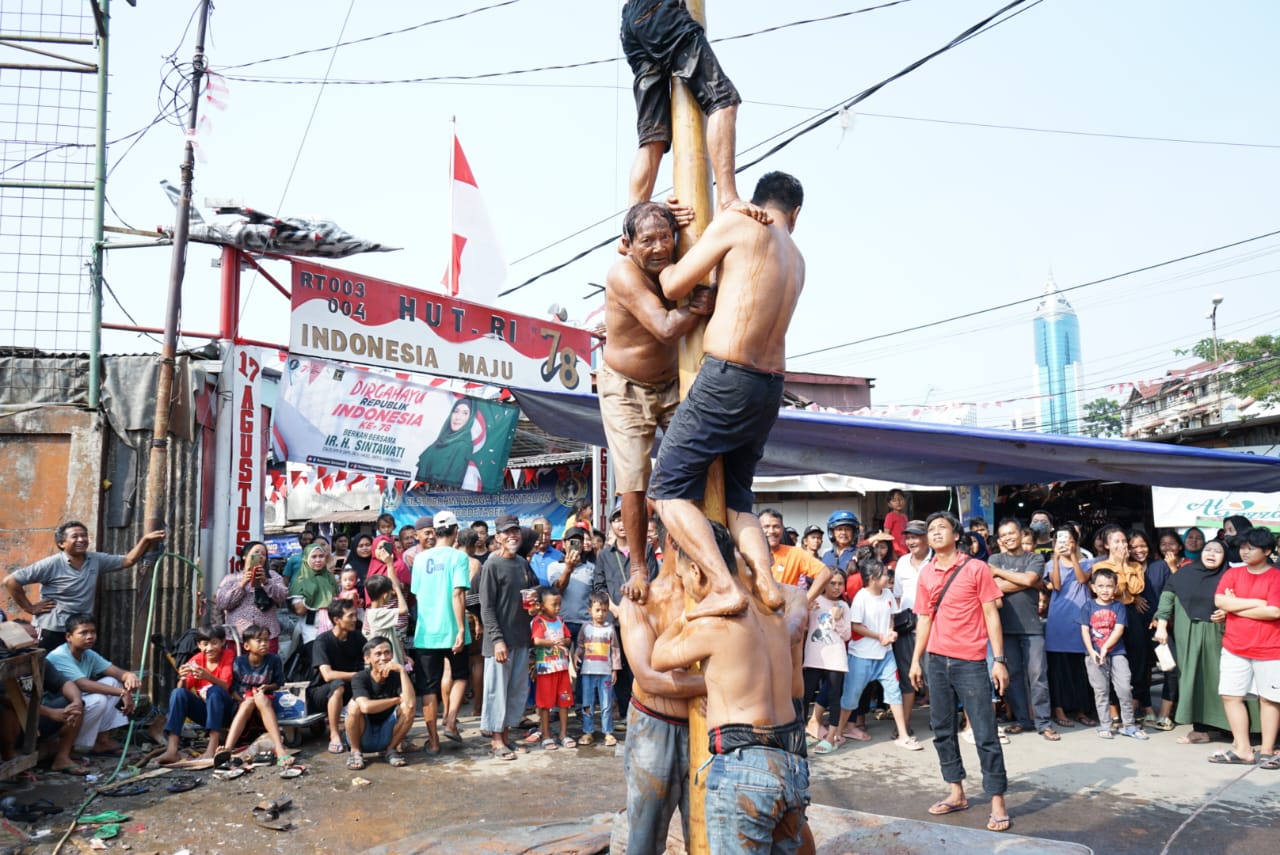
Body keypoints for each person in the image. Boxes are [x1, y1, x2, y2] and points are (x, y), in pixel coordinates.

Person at [649, 172, 807, 619]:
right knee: (738, 500)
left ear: (755, 200)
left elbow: (674, 285)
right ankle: (767, 582)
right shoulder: (797, 257)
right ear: (795, 213)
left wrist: (662, 252)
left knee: (666, 491)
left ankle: (723, 585)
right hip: (770, 385)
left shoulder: (739, 223)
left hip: (728, 376)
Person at [651, 520, 809, 854]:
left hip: (744, 767)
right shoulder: (772, 612)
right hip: (792, 761)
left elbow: (659, 657)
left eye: (682, 578)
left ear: (696, 571)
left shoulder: (713, 622)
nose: (685, 587)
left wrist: (688, 616)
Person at [602, 201, 713, 602]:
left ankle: (699, 551)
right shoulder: (623, 274)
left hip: (674, 382)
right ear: (627, 244)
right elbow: (666, 328)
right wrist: (698, 308)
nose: (659, 247)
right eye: (647, 240)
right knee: (634, 477)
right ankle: (638, 565)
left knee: (698, 464)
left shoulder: (679, 258)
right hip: (625, 387)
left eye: (665, 237)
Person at [908, 512, 1011, 834]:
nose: (935, 533)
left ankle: (997, 800)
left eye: (942, 528)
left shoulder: (976, 568)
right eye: (931, 529)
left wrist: (999, 660)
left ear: (956, 535)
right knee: (942, 729)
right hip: (937, 661)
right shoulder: (926, 573)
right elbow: (924, 619)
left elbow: (991, 615)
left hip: (971, 661)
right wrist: (916, 660)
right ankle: (956, 792)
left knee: (984, 732)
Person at [620, 0, 761, 219]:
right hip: (658, 11)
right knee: (723, 100)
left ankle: (633, 222)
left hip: (631, 20)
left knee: (653, 137)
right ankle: (727, 198)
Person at [616, 523, 706, 854]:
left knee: (709, 836)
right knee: (645, 836)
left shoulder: (715, 598)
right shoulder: (641, 600)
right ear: (672, 540)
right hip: (654, 726)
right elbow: (649, 678)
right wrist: (715, 685)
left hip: (707, 727)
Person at [6, 521, 165, 651]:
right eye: (75, 536)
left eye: (84, 536)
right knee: (47, 669)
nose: (81, 539)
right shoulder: (51, 564)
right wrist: (29, 608)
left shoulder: (95, 559)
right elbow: (11, 581)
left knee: (83, 668)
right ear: (61, 543)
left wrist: (145, 540)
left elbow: (127, 560)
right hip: (52, 628)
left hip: (79, 629)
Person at [1154, 539, 1237, 744]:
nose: (1211, 554)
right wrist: (1161, 625)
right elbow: (1167, 598)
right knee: (1193, 678)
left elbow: (1239, 600)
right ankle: (1200, 729)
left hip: (1218, 634)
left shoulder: (1230, 575)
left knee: (1219, 678)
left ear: (1225, 556)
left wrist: (1228, 610)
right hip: (1188, 634)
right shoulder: (1184, 574)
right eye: (1208, 549)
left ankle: (1229, 727)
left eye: (1217, 551)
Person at [833, 561, 921, 753]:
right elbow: (855, 626)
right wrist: (879, 636)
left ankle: (903, 735)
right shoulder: (861, 598)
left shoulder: (888, 594)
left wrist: (890, 631)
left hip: (886, 655)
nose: (888, 577)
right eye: (884, 575)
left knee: (894, 692)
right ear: (872, 579)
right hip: (861, 656)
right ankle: (838, 732)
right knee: (851, 696)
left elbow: (892, 617)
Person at [1212, 526, 1280, 767]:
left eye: (1251, 548)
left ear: (1267, 551)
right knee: (1231, 696)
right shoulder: (1233, 574)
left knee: (1269, 699)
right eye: (1242, 547)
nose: (1244, 552)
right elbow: (1220, 600)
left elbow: (1274, 612)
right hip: (1234, 646)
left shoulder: (1276, 577)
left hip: (1270, 648)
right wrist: (1257, 603)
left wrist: (1235, 606)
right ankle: (1243, 749)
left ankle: (1267, 750)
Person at [411, 510, 472, 752]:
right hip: (452, 629)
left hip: (426, 632)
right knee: (460, 675)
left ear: (435, 532)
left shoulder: (420, 559)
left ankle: (434, 742)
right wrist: (460, 629)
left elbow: (417, 594)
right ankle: (451, 720)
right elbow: (458, 593)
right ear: (456, 531)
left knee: (428, 688)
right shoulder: (459, 557)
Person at [479, 513, 539, 760]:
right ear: (498, 537)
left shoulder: (522, 563)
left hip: (521, 636)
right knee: (497, 692)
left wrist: (535, 598)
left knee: (515, 691)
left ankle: (505, 737)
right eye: (507, 532)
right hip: (500, 641)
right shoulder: (491, 564)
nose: (512, 535)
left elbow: (535, 588)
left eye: (515, 531)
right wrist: (497, 640)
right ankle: (496, 741)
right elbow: (486, 607)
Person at [989, 519, 1055, 740]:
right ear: (1000, 540)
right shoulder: (995, 558)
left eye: (1011, 533)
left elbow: (1030, 579)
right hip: (1005, 628)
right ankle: (1022, 720)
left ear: (1020, 533)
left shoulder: (1034, 558)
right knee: (1014, 676)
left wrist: (1004, 575)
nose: (1008, 538)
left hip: (1032, 627)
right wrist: (1026, 581)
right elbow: (994, 587)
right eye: (1004, 535)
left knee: (1038, 675)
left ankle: (1043, 723)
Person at [0, 619, 87, 775]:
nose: (35, 641)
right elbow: (9, 699)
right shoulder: (5, 662)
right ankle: (11, 761)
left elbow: (65, 683)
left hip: (33, 721)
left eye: (36, 636)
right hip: (10, 728)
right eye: (30, 637)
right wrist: (50, 713)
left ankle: (63, 757)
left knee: (74, 703)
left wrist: (76, 701)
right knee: (8, 709)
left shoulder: (37, 658)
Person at [45, 614, 137, 756]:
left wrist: (129, 676)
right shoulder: (59, 656)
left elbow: (116, 672)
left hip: (76, 701)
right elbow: (83, 685)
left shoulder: (88, 653)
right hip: (57, 708)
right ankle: (74, 746)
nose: (90, 637)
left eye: (92, 632)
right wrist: (123, 693)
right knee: (98, 700)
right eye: (83, 633)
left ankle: (102, 741)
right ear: (68, 637)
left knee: (114, 682)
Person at [1079, 568, 1148, 741]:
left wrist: (1105, 648)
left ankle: (1129, 725)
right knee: (1101, 690)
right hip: (1094, 655)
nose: (1105, 590)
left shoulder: (1119, 607)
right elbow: (1085, 630)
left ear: (1115, 588)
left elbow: (1119, 630)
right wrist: (1092, 651)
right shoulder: (1088, 606)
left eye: (1109, 586)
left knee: (1124, 688)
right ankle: (1105, 725)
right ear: (1093, 587)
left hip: (1117, 653)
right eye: (1101, 586)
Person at [154, 625, 235, 765]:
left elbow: (226, 686)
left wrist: (208, 677)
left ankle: (212, 748)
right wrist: (182, 678)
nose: (209, 648)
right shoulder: (196, 660)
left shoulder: (228, 655)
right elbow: (182, 690)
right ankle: (172, 750)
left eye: (214, 643)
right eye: (205, 644)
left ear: (223, 642)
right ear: (199, 645)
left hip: (227, 711)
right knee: (177, 693)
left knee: (214, 691)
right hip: (207, 714)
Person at [1043, 525, 1098, 728]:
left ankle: (1082, 710)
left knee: (1081, 668)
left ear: (1076, 542)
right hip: (1059, 618)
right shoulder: (1050, 564)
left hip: (1081, 619)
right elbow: (1056, 585)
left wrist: (1073, 556)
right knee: (1059, 667)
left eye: (1069, 540)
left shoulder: (1088, 562)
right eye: (1060, 540)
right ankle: (1059, 710)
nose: (1065, 544)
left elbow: (1082, 579)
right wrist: (1057, 558)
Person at [222, 623, 299, 766]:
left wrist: (267, 687)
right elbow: (233, 689)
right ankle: (227, 749)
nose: (264, 644)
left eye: (266, 640)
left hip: (266, 703)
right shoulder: (239, 662)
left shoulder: (274, 660)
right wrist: (244, 699)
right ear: (246, 646)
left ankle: (279, 748)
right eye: (259, 641)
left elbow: (278, 683)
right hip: (244, 703)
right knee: (248, 702)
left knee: (261, 698)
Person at [344, 636, 416, 770]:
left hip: (387, 734)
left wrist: (402, 671)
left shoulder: (397, 676)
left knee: (407, 707)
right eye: (378, 654)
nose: (383, 658)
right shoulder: (360, 677)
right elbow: (366, 707)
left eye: (387, 653)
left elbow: (411, 704)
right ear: (367, 659)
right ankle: (355, 752)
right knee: (354, 705)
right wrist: (396, 700)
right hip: (363, 735)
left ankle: (391, 750)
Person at [306, 600, 366, 754]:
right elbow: (327, 675)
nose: (355, 619)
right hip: (320, 692)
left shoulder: (357, 637)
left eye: (355, 615)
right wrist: (358, 675)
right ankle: (334, 734)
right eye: (350, 616)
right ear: (336, 619)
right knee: (337, 684)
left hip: (348, 687)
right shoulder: (322, 641)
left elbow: (370, 656)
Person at [803, 570, 850, 753]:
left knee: (834, 697)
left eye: (840, 583)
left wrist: (837, 619)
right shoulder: (813, 601)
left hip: (835, 658)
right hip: (814, 657)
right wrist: (806, 610)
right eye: (833, 583)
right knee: (806, 696)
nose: (837, 587)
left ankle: (831, 737)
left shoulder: (843, 606)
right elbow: (802, 626)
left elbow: (846, 635)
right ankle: (802, 734)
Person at [215, 541, 288, 653]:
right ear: (244, 556)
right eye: (256, 553)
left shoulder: (273, 576)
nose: (260, 556)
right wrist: (242, 584)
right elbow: (222, 603)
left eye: (263, 554)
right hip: (238, 636)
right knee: (238, 664)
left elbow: (282, 597)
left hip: (267, 636)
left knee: (268, 663)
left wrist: (266, 582)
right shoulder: (231, 578)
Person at [530, 587, 575, 750]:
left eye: (559, 604)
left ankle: (563, 733)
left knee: (564, 701)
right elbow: (536, 640)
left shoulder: (560, 620)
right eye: (554, 604)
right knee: (545, 704)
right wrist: (554, 643)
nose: (557, 608)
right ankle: (546, 734)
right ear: (542, 605)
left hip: (562, 668)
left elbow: (568, 637)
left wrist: (565, 641)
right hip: (546, 670)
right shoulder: (538, 621)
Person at [575, 591, 622, 747]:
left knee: (606, 704)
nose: (601, 614)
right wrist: (576, 655)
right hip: (587, 672)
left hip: (605, 673)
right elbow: (580, 645)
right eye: (597, 610)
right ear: (590, 610)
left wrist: (615, 669)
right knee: (587, 703)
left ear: (608, 611)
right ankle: (588, 731)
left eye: (604, 610)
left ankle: (607, 732)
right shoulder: (585, 628)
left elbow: (615, 650)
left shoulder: (610, 629)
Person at [760, 509, 831, 602]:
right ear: (757, 528)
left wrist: (805, 601)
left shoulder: (795, 553)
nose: (771, 531)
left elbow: (825, 573)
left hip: (785, 608)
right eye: (766, 526)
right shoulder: (747, 552)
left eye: (776, 526)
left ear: (782, 529)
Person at [415, 398, 475, 487]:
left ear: (470, 418)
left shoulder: (464, 446)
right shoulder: (439, 442)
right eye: (456, 411)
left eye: (465, 413)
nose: (458, 417)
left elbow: (452, 483)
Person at [822, 510, 861, 575]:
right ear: (832, 532)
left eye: (847, 529)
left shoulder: (860, 554)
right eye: (839, 529)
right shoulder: (827, 556)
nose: (843, 532)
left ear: (854, 532)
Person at [528, 517, 563, 587]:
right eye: (540, 534)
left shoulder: (560, 556)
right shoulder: (522, 554)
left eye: (547, 534)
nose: (544, 538)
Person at [885, 490, 910, 557]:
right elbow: (886, 535)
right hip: (895, 551)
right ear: (889, 504)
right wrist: (891, 551)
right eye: (894, 500)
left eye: (900, 499)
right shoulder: (890, 516)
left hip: (905, 549)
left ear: (905, 501)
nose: (898, 502)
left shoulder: (905, 516)